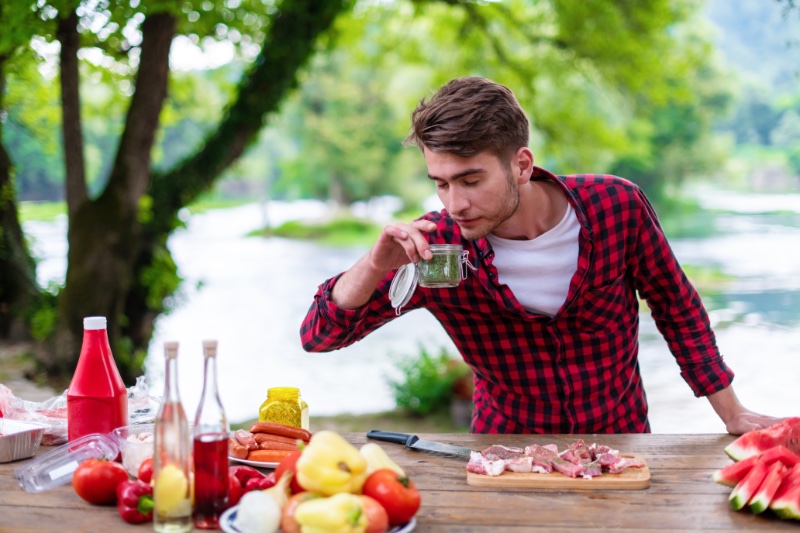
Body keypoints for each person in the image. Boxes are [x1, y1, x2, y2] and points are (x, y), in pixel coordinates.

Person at [300, 76, 785, 435]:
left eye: (471, 180)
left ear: (522, 165)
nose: (455, 203)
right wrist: (372, 265)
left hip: (623, 447)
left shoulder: (616, 206)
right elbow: (319, 337)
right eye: (441, 184)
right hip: (501, 458)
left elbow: (677, 309)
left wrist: (732, 411)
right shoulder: (436, 248)